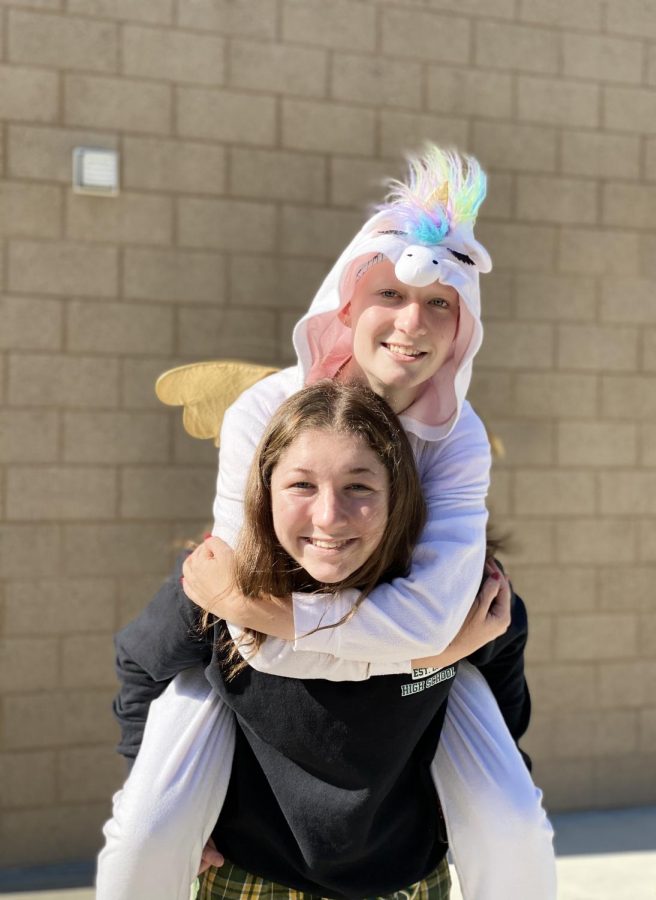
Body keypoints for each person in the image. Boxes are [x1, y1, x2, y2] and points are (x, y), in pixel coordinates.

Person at [105, 146, 556, 899]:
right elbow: (245, 618)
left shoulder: (460, 437)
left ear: (463, 326)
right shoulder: (266, 410)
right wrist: (424, 652)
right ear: (345, 304)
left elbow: (433, 613)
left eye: (441, 302)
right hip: (254, 700)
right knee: (144, 837)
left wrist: (268, 615)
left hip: (386, 731)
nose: (412, 322)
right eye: (389, 293)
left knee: (514, 827)